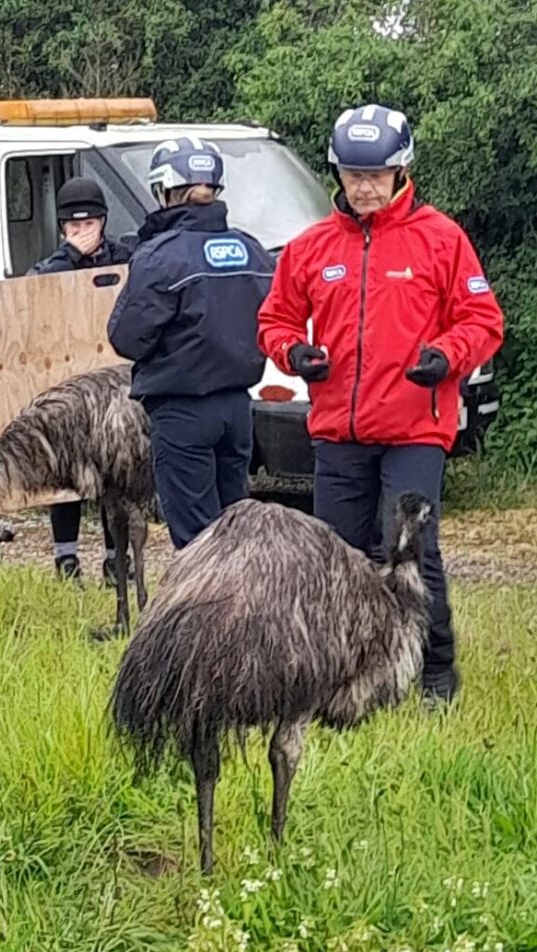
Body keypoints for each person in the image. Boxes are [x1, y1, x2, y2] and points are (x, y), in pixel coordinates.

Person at [258, 104, 504, 705]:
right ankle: (338, 672)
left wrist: (447, 356)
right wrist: (295, 353)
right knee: (336, 556)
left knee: (412, 547)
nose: (364, 186)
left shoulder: (442, 239)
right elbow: (275, 319)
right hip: (339, 430)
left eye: (376, 174)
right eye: (352, 174)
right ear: (337, 174)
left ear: (401, 172)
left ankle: (433, 672)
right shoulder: (310, 247)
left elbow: (484, 320)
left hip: (417, 425)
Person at [107, 136, 274, 549]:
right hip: (238, 411)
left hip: (183, 412)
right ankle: (244, 612)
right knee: (235, 533)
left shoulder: (160, 257)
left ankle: (208, 615)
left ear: (164, 190)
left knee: (198, 543)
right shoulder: (252, 251)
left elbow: (126, 337)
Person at [26, 177, 133, 583]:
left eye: (88, 225)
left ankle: (113, 558)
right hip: (69, 383)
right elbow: (31, 289)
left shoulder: (125, 256)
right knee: (66, 471)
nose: (82, 233)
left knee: (112, 474)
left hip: (111, 385)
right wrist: (70, 255)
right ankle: (65, 558)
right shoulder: (54, 262)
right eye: (73, 227)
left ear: (103, 222)